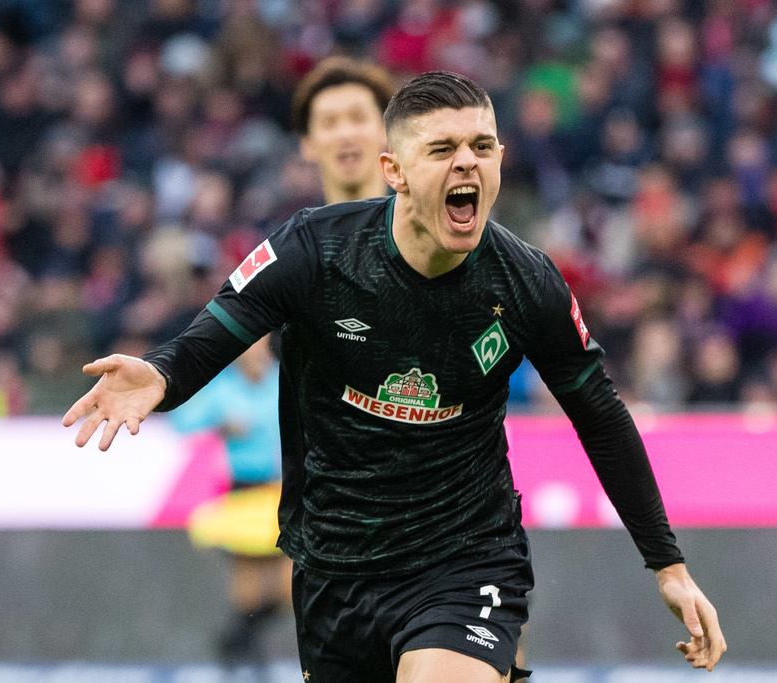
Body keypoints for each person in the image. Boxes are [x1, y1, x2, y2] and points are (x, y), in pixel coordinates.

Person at [63, 71, 725, 682]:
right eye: (442, 149)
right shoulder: (311, 250)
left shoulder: (527, 284)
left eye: (482, 147)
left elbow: (601, 416)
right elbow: (217, 331)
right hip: (334, 567)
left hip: (465, 557)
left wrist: (667, 564)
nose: (466, 162)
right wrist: (160, 374)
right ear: (395, 171)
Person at [168, 335, 289, 663]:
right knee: (247, 587)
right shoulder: (222, 387)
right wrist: (221, 425)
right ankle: (244, 657)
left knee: (289, 586)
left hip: (282, 489)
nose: (254, 351)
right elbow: (182, 421)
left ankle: (236, 643)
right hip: (243, 491)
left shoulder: (284, 378)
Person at [290, 55, 396, 204]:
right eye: (329, 122)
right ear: (306, 144)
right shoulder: (292, 220)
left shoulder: (426, 215)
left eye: (358, 118)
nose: (345, 134)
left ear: (386, 131)